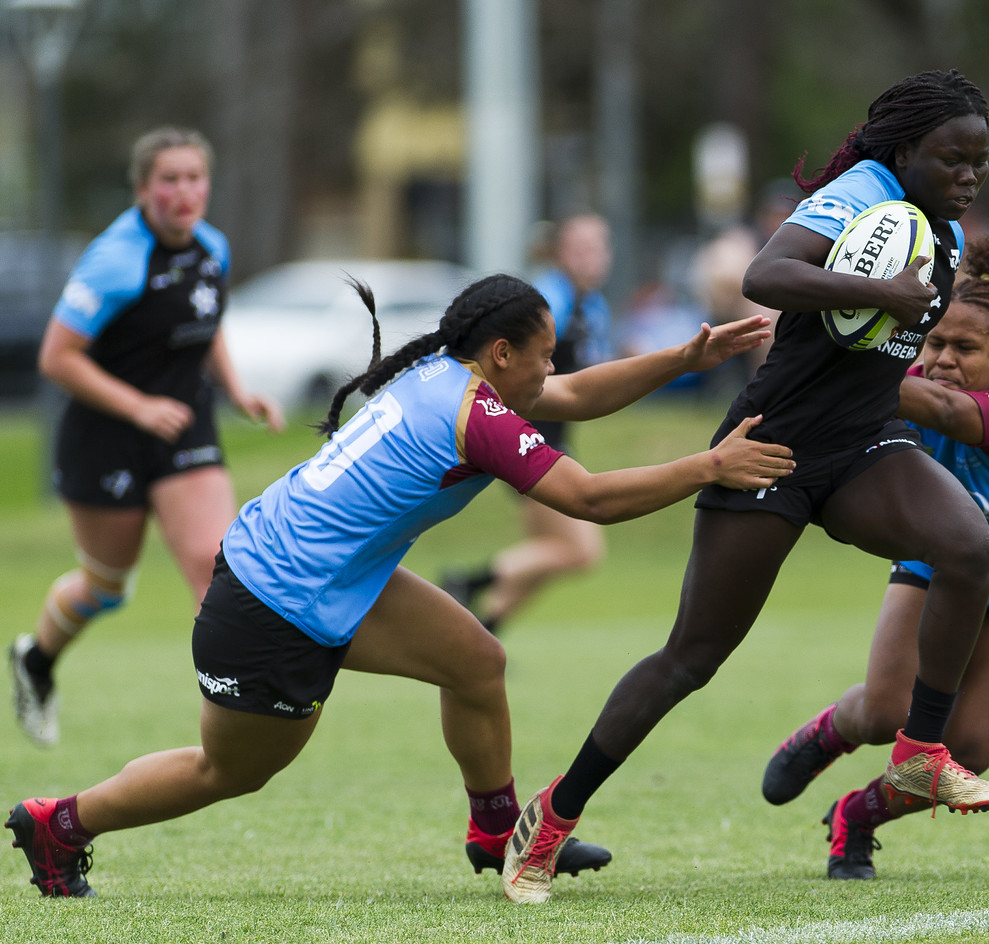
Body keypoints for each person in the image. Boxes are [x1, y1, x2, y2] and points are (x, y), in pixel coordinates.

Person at [5, 274, 793, 897]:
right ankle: (59, 824)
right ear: (501, 352)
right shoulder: (477, 416)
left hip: (309, 570)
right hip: (273, 600)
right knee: (231, 769)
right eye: (545, 353)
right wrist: (710, 465)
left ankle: (495, 836)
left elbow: (576, 395)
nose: (553, 368)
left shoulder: (449, 374)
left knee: (476, 663)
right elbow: (589, 499)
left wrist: (682, 360)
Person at [499, 69, 989, 905]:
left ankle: (920, 753)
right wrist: (880, 290)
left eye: (980, 162)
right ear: (905, 152)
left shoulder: (942, 232)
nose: (970, 175)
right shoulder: (863, 192)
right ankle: (551, 816)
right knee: (691, 657)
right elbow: (767, 274)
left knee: (967, 545)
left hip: (866, 446)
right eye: (953, 159)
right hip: (769, 447)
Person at [759, 236, 989, 879]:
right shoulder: (908, 381)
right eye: (933, 343)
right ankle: (833, 730)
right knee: (887, 713)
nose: (943, 361)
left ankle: (857, 815)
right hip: (937, 564)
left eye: (965, 348)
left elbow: (944, 410)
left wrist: (841, 367)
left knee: (966, 752)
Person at [10, 127, 284, 749]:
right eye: (169, 179)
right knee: (106, 587)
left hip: (184, 428)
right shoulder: (116, 261)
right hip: (105, 438)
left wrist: (238, 390)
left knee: (218, 567)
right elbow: (57, 358)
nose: (184, 192)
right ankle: (35, 660)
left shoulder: (212, 247)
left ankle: (238, 721)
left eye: (195, 178)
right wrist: (138, 407)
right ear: (141, 189)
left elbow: (206, 321)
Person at [440, 214, 613, 635]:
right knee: (582, 552)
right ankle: (469, 581)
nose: (592, 258)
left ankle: (484, 632)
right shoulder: (549, 300)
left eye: (599, 248)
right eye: (581, 249)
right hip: (525, 441)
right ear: (560, 253)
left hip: (553, 438)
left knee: (548, 552)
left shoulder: (593, 306)